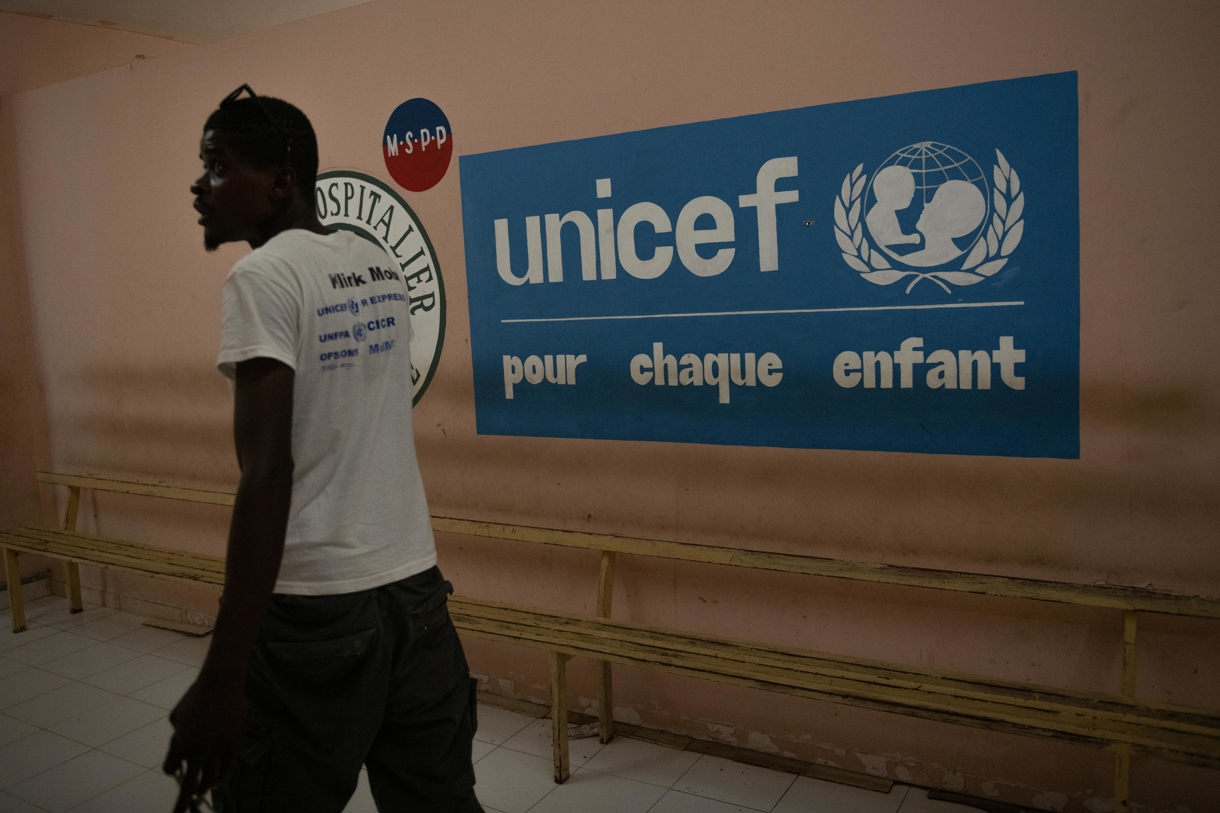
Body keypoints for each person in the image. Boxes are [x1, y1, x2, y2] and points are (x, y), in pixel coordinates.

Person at [165, 84, 483, 813]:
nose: (200, 185)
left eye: (217, 167)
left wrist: (223, 672)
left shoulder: (262, 276)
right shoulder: (377, 263)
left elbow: (268, 474)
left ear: (280, 181)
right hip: (415, 593)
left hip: (317, 612)